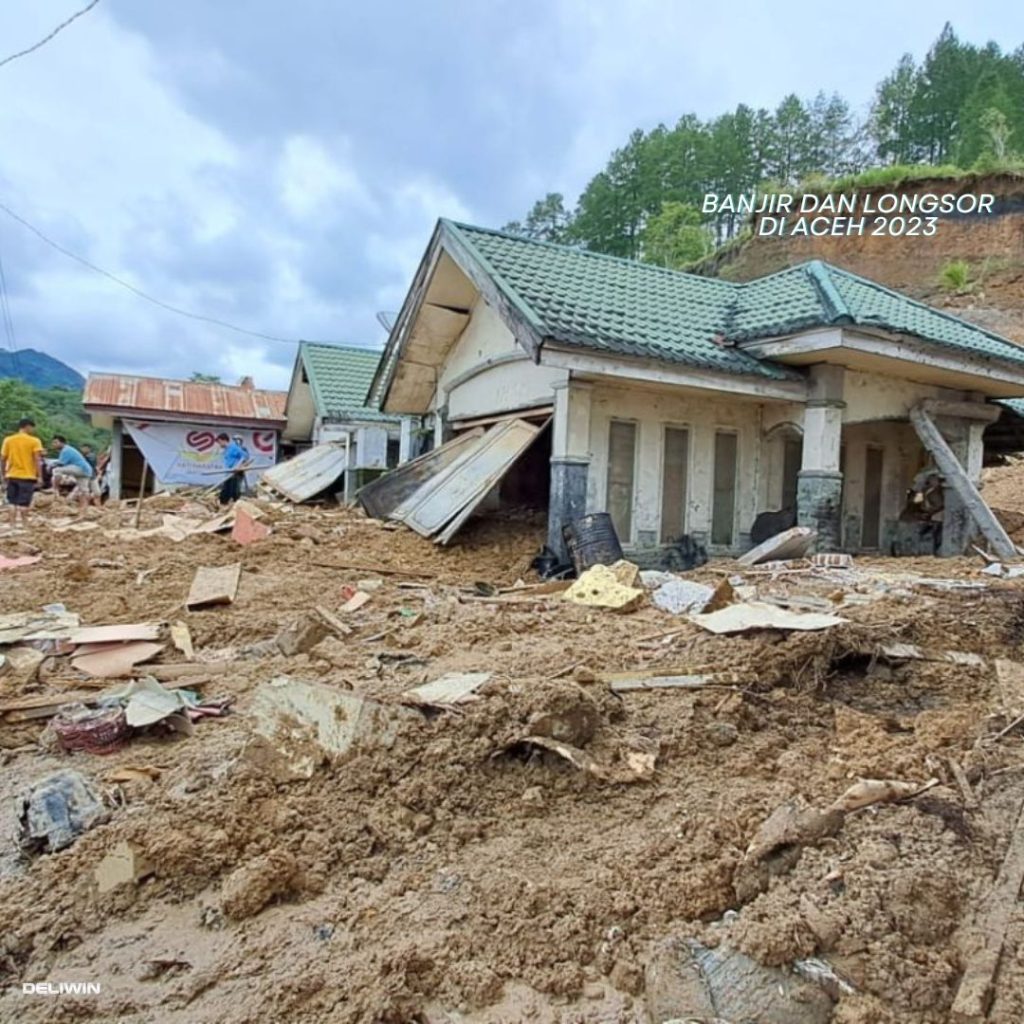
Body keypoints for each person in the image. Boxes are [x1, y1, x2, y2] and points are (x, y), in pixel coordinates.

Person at [1, 417, 44, 527]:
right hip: (27, 476)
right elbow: (37, 460)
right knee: (24, 502)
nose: (33, 430)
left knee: (12, 502)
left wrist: (3, 474)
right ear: (28, 426)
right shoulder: (34, 441)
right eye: (32, 428)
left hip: (12, 475)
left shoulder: (8, 440)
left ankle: (12, 524)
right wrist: (39, 476)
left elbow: (3, 459)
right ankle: (24, 524)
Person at [50, 435, 99, 510]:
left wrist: (50, 465)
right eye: (53, 442)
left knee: (56, 470)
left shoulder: (65, 450)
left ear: (62, 443)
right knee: (84, 490)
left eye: (56, 442)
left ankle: (55, 489)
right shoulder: (69, 449)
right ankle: (84, 508)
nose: (54, 444)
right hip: (87, 471)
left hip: (81, 469)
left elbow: (61, 463)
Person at [216, 432, 250, 505]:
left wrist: (237, 466)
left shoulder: (234, 447)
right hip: (229, 472)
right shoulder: (226, 450)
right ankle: (224, 505)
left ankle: (235, 506)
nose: (219, 444)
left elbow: (244, 456)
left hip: (236, 473)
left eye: (219, 442)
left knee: (234, 490)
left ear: (224, 440)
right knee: (225, 490)